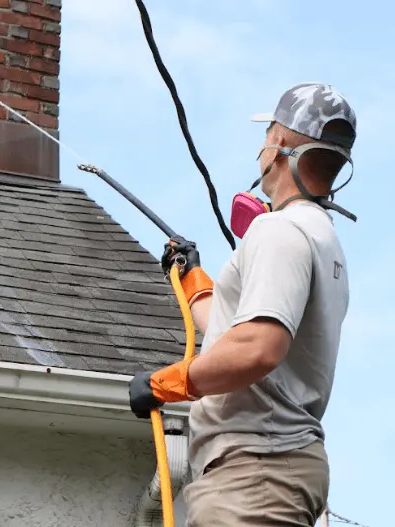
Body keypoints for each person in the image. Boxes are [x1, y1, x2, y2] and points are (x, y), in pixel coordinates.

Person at [129, 82, 358, 526]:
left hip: (255, 473)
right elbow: (235, 331)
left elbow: (256, 349)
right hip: (272, 468)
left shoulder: (280, 232)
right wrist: (195, 282)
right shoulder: (323, 240)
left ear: (281, 144)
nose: (262, 147)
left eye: (267, 134)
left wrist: (164, 385)